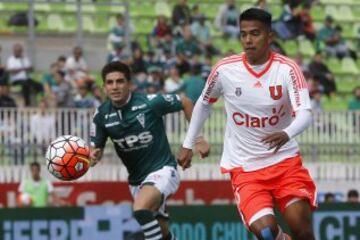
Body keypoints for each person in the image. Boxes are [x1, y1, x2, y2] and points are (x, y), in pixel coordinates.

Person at [177, 8, 316, 240]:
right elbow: (203, 104)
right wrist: (188, 143)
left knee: (302, 227)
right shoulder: (225, 70)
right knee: (266, 232)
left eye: (255, 33)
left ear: (270, 36)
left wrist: (287, 133)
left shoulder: (287, 69)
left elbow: (305, 113)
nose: (248, 40)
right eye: (243, 34)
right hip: (246, 168)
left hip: (285, 162)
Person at [90, 61, 209, 240]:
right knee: (162, 233)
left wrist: (197, 139)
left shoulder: (149, 102)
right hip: (136, 182)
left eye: (120, 81)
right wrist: (93, 156)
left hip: (163, 170)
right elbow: (94, 151)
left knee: (140, 209)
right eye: (110, 82)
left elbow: (185, 102)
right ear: (104, 87)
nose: (115, 87)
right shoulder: (101, 116)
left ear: (129, 84)